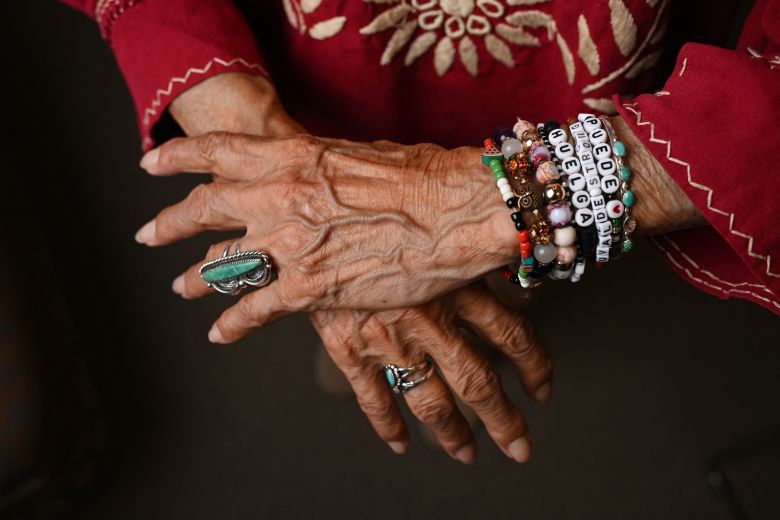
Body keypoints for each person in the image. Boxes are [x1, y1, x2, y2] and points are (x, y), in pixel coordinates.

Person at [62, 0, 780, 465]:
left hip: (580, 79)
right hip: (325, 66)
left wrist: (481, 210)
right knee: (364, 283)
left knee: (517, 272)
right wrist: (276, 168)